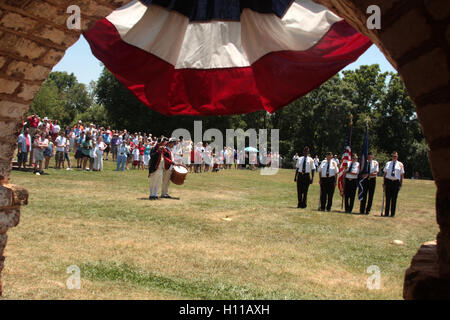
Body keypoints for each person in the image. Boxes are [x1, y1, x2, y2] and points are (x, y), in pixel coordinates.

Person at [383, 151, 404, 217]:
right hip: (388, 181)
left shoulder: (400, 164)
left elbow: (401, 175)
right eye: (393, 156)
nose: (394, 157)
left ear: (397, 157)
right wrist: (384, 183)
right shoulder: (388, 163)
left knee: (394, 199)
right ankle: (386, 213)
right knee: (388, 198)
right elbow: (385, 173)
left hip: (396, 182)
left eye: (395, 156)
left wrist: (400, 184)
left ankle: (392, 213)